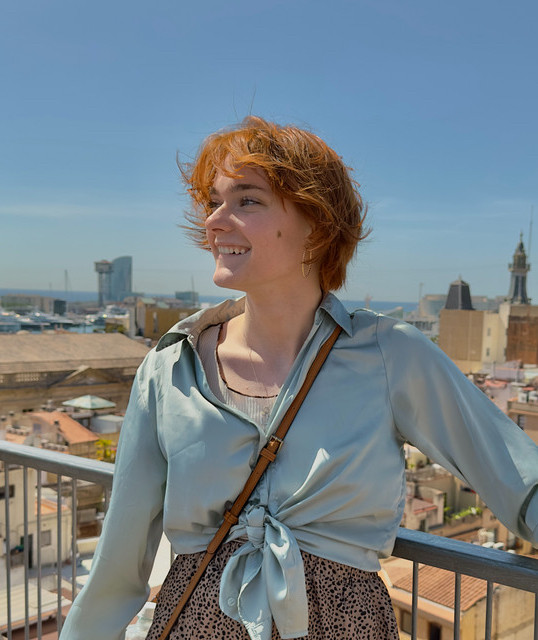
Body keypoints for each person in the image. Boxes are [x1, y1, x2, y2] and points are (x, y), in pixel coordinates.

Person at [60, 116, 538, 640]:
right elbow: (117, 564)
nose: (214, 221)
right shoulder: (172, 366)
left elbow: (519, 482)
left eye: (246, 200)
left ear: (316, 224)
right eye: (213, 203)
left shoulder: (390, 354)